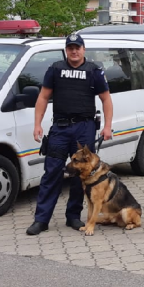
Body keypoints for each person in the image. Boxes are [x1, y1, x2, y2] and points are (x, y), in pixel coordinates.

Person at [26, 33, 113, 236]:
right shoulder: (55, 69)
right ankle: (41, 220)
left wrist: (107, 126)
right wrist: (37, 124)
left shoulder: (94, 71)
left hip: (84, 127)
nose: (74, 51)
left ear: (84, 49)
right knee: (52, 173)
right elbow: (43, 97)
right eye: (70, 47)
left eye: (78, 47)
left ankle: (73, 216)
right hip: (60, 128)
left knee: (79, 175)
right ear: (66, 50)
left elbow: (106, 99)